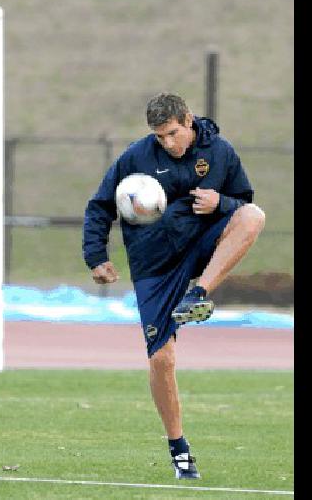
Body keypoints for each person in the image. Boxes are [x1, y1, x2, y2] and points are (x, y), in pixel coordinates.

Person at [82, 93, 265, 479]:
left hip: (199, 244)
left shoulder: (220, 152)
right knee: (161, 359)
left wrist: (222, 203)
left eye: (171, 133)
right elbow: (100, 205)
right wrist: (96, 257)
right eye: (159, 136)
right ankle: (179, 450)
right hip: (155, 263)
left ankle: (198, 295)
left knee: (252, 217)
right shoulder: (137, 157)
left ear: (188, 120)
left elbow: (243, 200)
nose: (166, 142)